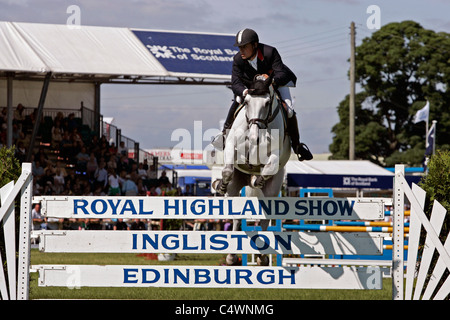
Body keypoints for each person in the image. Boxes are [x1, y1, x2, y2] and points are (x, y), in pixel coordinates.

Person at [212, 28, 313, 161]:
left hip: (275, 84)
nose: (241, 51)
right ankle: (224, 135)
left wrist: (271, 81)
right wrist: (245, 92)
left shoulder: (270, 52)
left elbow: (281, 73)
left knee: (288, 110)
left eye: (244, 47)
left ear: (254, 45)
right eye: (239, 47)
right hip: (252, 88)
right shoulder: (238, 59)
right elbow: (235, 82)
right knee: (237, 100)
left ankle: (297, 145)